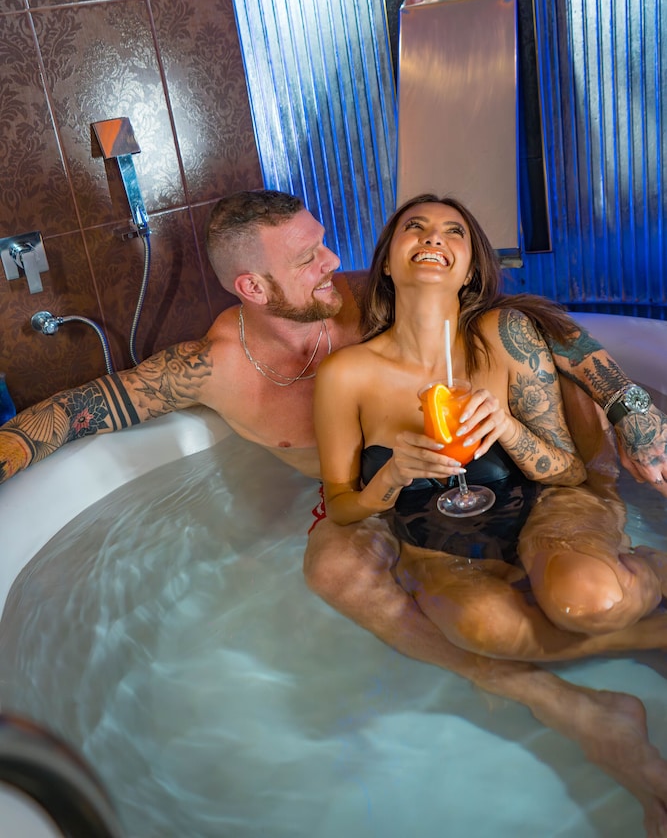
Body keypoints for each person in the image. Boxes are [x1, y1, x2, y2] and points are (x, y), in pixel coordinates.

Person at [1, 189, 667, 829]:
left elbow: (533, 324)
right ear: (253, 287)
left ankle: (582, 613)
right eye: (307, 258)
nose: (331, 262)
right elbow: (79, 411)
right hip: (368, 496)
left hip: (483, 476)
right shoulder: (209, 368)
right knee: (333, 573)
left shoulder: (363, 296)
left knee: (554, 583)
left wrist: (631, 407)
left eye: (322, 245)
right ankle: (552, 698)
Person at [313, 192, 667, 834]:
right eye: (415, 226)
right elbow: (340, 508)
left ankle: (651, 576)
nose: (433, 237)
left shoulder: (501, 337)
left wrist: (506, 426)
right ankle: (653, 636)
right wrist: (390, 477)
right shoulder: (347, 374)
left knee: (589, 604)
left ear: (472, 267)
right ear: (386, 260)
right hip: (438, 535)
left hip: (549, 504)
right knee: (480, 627)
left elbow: (569, 472)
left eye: (454, 231)